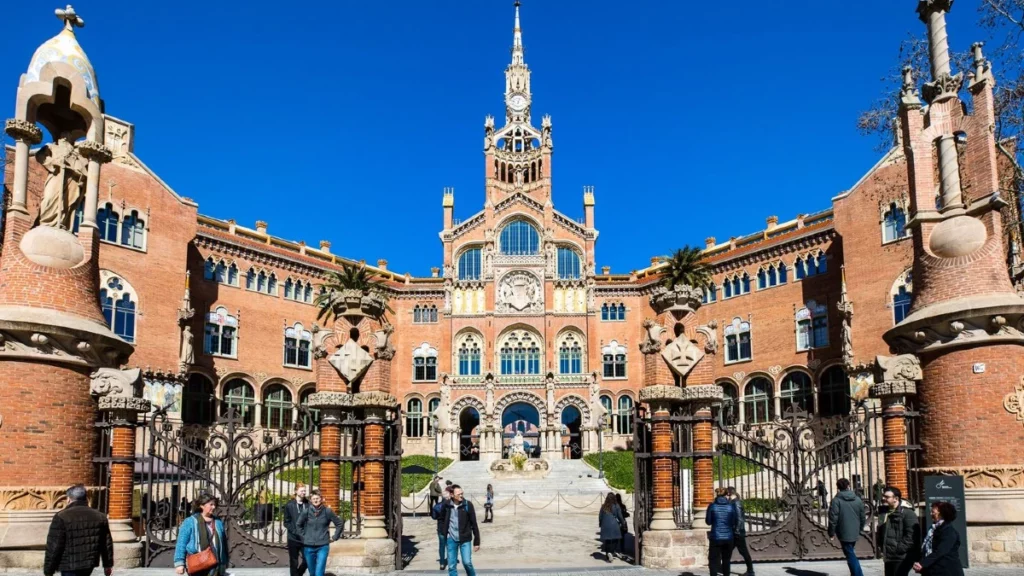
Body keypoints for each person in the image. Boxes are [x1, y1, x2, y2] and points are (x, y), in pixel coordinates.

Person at [43, 485, 113, 576]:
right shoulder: (100, 516)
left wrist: (48, 570)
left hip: (68, 564)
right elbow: (106, 544)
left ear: (68, 499)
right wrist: (108, 565)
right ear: (86, 498)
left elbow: (54, 546)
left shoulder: (61, 516)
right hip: (89, 564)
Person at [174, 493, 228, 576]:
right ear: (202, 506)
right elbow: (181, 543)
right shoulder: (190, 522)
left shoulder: (218, 522)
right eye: (211, 504)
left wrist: (225, 561)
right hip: (198, 563)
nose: (214, 507)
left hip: (216, 564)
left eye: (215, 505)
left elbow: (224, 544)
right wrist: (179, 563)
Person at [296, 489, 342, 576]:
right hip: (308, 547)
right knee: (312, 573)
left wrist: (335, 537)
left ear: (321, 499)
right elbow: (298, 525)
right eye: (313, 499)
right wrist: (304, 537)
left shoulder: (327, 511)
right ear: (310, 500)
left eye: (317, 498)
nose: (316, 500)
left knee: (319, 573)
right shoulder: (306, 512)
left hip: (322, 546)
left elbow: (339, 523)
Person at [913, 501, 964, 576]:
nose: (931, 514)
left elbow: (940, 552)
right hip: (933, 569)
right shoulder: (934, 528)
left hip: (946, 571)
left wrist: (922, 564)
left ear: (942, 514)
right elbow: (926, 549)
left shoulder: (949, 531)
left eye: (933, 512)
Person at [439, 485, 480, 576]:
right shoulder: (446, 505)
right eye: (458, 494)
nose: (461, 495)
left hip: (465, 539)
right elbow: (441, 519)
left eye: (462, 493)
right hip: (451, 539)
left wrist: (476, 542)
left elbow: (474, 524)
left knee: (467, 562)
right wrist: (444, 532)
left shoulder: (467, 505)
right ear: (452, 495)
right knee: (451, 566)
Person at [828, 478, 866, 576]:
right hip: (855, 530)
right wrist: (860, 528)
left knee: (850, 554)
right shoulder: (857, 499)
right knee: (850, 551)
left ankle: (858, 574)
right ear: (848, 485)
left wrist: (831, 533)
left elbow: (833, 518)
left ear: (838, 487)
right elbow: (862, 516)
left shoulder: (836, 500)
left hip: (843, 531)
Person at [881, 486, 919, 576]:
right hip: (889, 555)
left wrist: (900, 548)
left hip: (901, 556)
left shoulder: (907, 513)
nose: (883, 499)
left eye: (887, 497)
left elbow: (912, 535)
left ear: (896, 498)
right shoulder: (883, 512)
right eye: (883, 496)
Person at [705, 487, 738, 576]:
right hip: (728, 537)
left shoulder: (712, 506)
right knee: (726, 560)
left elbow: (708, 522)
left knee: (713, 560)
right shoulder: (731, 506)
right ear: (726, 495)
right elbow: (734, 521)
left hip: (716, 536)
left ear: (716, 494)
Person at [727, 487, 754, 576]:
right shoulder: (733, 502)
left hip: (737, 533)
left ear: (730, 493)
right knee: (728, 550)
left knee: (743, 551)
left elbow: (739, 518)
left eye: (727, 494)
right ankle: (725, 568)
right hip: (735, 531)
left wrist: (737, 531)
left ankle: (750, 571)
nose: (727, 496)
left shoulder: (736, 503)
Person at [283, 485, 308, 576]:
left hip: (305, 538)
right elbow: (286, 522)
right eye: (302, 491)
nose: (304, 493)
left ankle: (298, 574)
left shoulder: (308, 504)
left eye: (305, 491)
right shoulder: (289, 505)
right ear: (296, 491)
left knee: (307, 559)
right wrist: (295, 531)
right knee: (294, 561)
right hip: (293, 538)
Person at [598, 493, 625, 563]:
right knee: (615, 539)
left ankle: (608, 553)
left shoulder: (603, 506)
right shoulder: (616, 506)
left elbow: (600, 517)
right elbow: (620, 516)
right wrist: (623, 523)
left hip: (605, 525)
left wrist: (601, 524)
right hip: (614, 524)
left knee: (607, 540)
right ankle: (611, 551)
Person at [431, 488, 452, 569]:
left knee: (442, 545)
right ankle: (451, 561)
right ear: (448, 497)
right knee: (450, 545)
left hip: (440, 527)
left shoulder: (437, 506)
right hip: (450, 527)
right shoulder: (451, 505)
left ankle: (442, 563)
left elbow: (434, 517)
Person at [614, 493, 630, 558]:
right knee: (622, 537)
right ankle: (622, 549)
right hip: (622, 522)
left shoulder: (614, 506)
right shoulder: (623, 506)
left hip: (616, 522)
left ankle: (614, 549)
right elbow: (624, 514)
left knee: (615, 537)